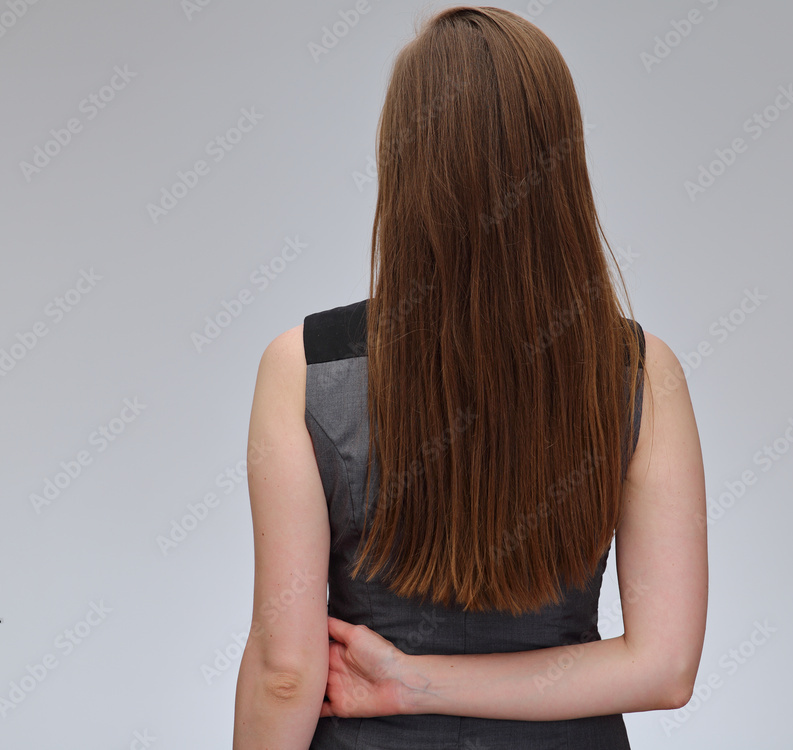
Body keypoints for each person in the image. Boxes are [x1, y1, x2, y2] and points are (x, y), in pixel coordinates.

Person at [232, 6, 707, 748]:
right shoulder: (644, 375)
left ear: (401, 163)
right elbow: (666, 667)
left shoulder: (303, 368)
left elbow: (285, 672)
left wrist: (400, 680)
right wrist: (412, 680)